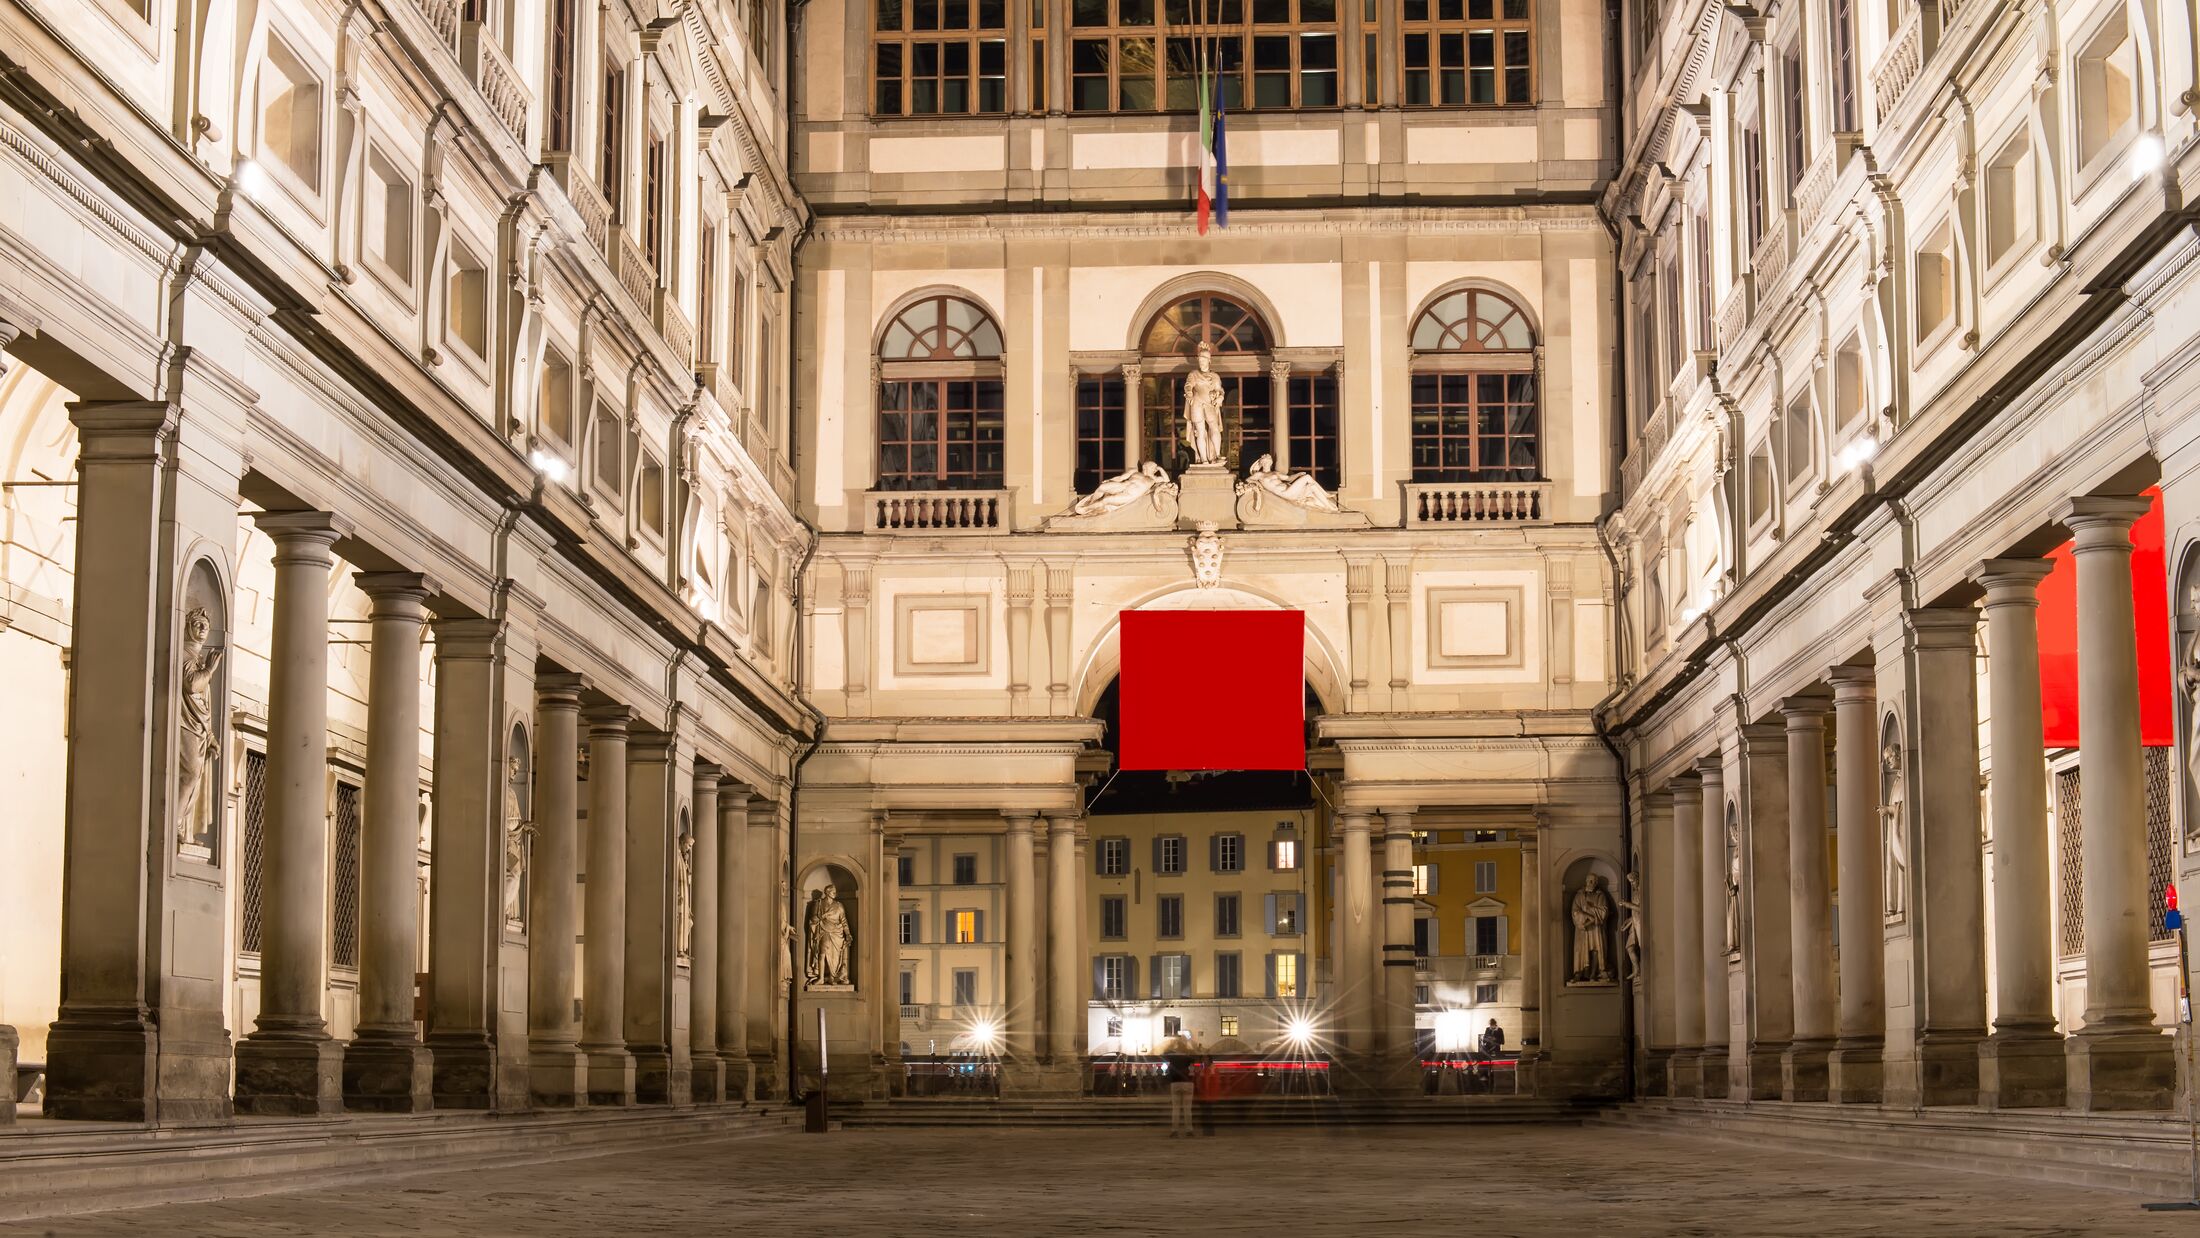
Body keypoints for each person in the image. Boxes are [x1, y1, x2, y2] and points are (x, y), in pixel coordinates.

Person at [1161, 1039, 1197, 1138]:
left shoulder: (1172, 1056)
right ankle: (1189, 1130)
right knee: (1187, 1109)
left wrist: (1172, 1046)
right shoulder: (1188, 1056)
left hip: (1175, 1083)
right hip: (1188, 1083)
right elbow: (1196, 1057)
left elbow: (1163, 1053)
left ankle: (1174, 1131)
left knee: (1175, 1109)